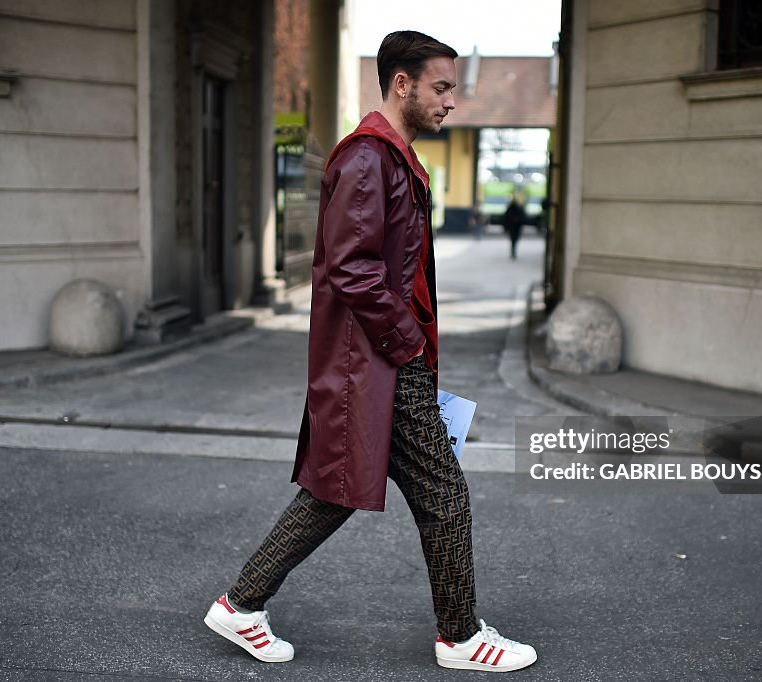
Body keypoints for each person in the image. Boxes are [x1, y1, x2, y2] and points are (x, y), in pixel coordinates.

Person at [203, 30, 537, 673]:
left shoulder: (390, 157)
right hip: (381, 359)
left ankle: (241, 604)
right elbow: (351, 269)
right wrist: (407, 343)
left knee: (336, 491)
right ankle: (461, 637)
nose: (451, 102)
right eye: (441, 88)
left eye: (454, 89)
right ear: (402, 84)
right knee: (443, 495)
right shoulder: (366, 158)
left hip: (385, 357)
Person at [501, 193, 526, 259]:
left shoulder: (511, 208)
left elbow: (505, 218)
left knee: (513, 240)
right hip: (514, 227)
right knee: (514, 240)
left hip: (513, 227)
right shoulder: (517, 208)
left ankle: (513, 251)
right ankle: (513, 252)